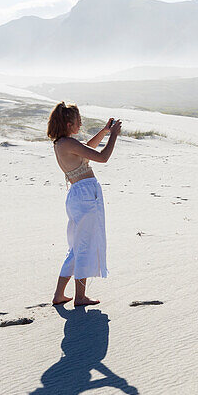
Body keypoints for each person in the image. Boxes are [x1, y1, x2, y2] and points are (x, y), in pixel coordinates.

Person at [47, 103, 122, 306]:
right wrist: (114, 135)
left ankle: (59, 294)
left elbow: (86, 149)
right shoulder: (68, 144)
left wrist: (105, 131)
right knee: (84, 246)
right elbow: (102, 157)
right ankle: (80, 297)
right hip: (86, 195)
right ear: (70, 123)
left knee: (76, 246)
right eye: (79, 122)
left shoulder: (62, 143)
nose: (80, 125)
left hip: (78, 195)